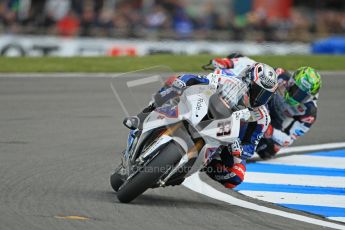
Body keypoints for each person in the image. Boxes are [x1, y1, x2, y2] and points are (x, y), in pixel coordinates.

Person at [123, 62, 278, 189]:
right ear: (248, 80)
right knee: (174, 88)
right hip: (202, 111)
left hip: (226, 140)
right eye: (258, 91)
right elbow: (197, 79)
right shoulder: (227, 80)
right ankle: (141, 117)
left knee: (236, 178)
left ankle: (204, 165)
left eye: (265, 95)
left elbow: (249, 147)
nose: (259, 98)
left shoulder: (262, 118)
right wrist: (182, 82)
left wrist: (238, 148)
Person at [210, 53, 322, 159]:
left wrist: (271, 131)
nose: (297, 97)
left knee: (268, 150)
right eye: (296, 91)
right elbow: (256, 67)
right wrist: (229, 63)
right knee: (237, 59)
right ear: (291, 82)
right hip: (264, 103)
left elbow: (288, 139)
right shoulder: (280, 74)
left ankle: (234, 146)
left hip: (276, 123)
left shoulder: (309, 113)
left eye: (303, 96)